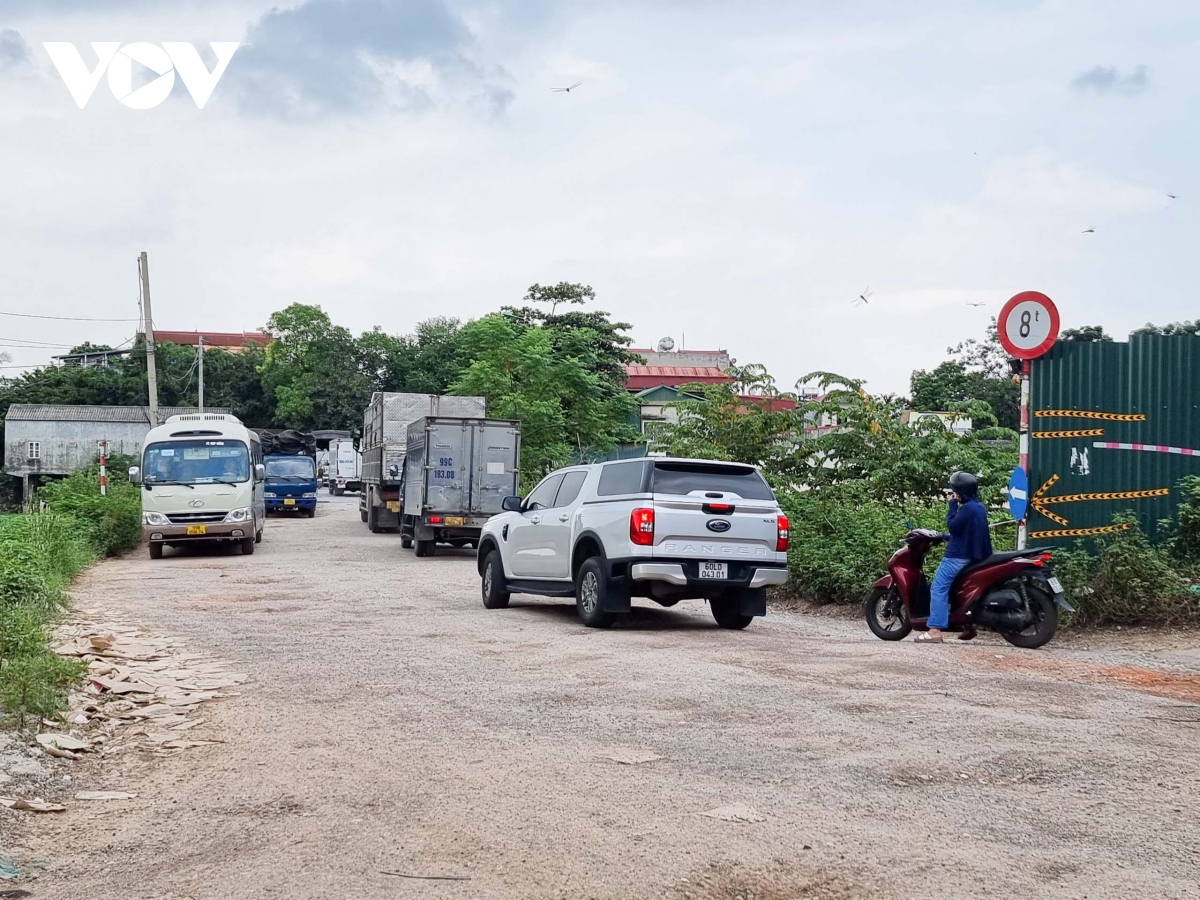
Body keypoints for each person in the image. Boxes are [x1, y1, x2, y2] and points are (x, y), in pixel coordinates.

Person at [915, 471, 993, 644]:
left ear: (960, 492)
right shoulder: (979, 507)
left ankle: (934, 630)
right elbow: (967, 534)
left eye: (955, 491)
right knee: (961, 588)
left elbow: (953, 526)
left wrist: (952, 506)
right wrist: (944, 537)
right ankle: (967, 625)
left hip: (958, 556)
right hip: (976, 555)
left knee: (938, 588)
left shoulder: (966, 509)